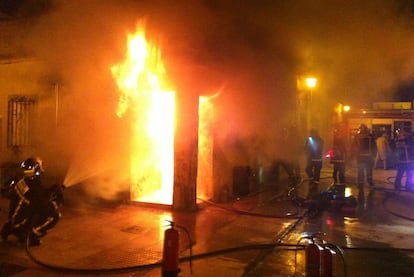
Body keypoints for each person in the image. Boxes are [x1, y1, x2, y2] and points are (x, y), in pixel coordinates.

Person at [1, 157, 64, 246]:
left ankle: (10, 229)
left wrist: (52, 189)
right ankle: (31, 235)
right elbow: (42, 205)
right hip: (21, 223)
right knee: (54, 214)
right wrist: (56, 199)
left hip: (13, 221)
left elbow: (34, 196)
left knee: (27, 207)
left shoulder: (21, 180)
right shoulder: (34, 186)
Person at [351, 124, 376, 188]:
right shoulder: (370, 136)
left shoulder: (357, 136)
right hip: (369, 157)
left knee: (360, 171)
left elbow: (353, 146)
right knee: (369, 171)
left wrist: (353, 155)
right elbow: (374, 146)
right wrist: (374, 155)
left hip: (360, 157)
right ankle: (370, 182)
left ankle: (360, 183)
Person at [304, 128, 324, 197]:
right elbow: (306, 147)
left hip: (315, 158)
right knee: (311, 169)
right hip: (314, 158)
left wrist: (308, 151)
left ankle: (314, 182)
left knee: (315, 170)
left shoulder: (317, 140)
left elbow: (319, 148)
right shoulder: (313, 140)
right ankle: (313, 181)